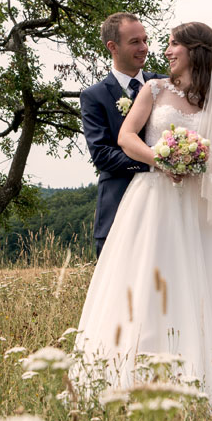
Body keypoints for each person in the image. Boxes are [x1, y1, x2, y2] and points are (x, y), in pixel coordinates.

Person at [73, 21, 212, 398]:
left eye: (171, 43)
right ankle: (132, 369)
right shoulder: (153, 88)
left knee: (200, 279)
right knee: (144, 280)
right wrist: (161, 160)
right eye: (141, 41)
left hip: (194, 204)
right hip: (152, 200)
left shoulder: (211, 98)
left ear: (194, 51)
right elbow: (125, 138)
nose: (161, 50)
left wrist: (195, 162)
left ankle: (210, 367)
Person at [79, 13, 167, 257]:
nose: (144, 48)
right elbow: (103, 155)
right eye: (135, 42)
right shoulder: (94, 96)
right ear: (113, 47)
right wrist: (157, 163)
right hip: (119, 204)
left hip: (168, 205)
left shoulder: (165, 85)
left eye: (145, 40)